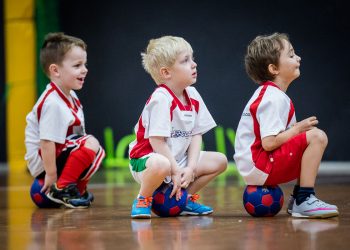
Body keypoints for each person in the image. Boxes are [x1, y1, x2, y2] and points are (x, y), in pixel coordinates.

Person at [234, 32, 338, 218]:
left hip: (258, 165)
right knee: (317, 136)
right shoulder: (272, 98)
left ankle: (299, 198)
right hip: (260, 165)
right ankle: (304, 199)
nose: (298, 57)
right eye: (291, 55)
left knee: (310, 135)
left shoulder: (273, 95)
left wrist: (296, 131)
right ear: (274, 68)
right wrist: (297, 129)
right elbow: (269, 143)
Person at [129, 36, 227, 219]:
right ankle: (143, 198)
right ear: (166, 73)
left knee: (220, 160)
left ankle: (184, 198)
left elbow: (196, 135)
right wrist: (174, 170)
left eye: (192, 58)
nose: (194, 64)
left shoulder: (193, 94)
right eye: (185, 60)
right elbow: (157, 141)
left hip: (176, 160)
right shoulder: (161, 98)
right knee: (162, 164)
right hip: (146, 161)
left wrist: (190, 168)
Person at [25, 32, 105, 208]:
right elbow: (46, 142)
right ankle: (61, 188)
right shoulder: (53, 102)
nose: (84, 69)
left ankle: (76, 189)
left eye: (85, 64)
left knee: (97, 151)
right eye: (77, 65)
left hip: (58, 151)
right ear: (55, 70)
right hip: (44, 160)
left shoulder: (71, 96)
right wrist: (52, 176)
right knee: (91, 143)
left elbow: (77, 135)